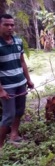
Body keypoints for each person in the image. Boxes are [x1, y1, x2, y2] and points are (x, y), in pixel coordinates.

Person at [0, 14, 34, 150]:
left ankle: (14, 135)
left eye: (12, 25)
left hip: (20, 83)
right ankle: (0, 145)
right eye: (6, 25)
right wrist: (1, 90)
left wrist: (28, 80)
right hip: (7, 86)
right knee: (8, 115)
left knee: (19, 111)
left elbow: (22, 62)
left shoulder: (18, 41)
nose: (10, 27)